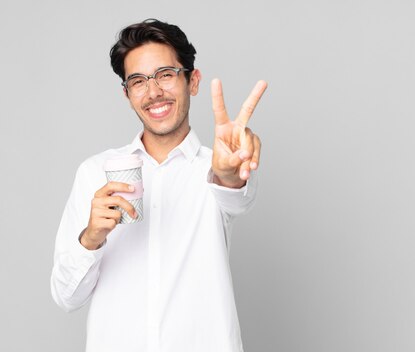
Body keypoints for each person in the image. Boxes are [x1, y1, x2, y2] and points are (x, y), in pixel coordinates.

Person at [50, 19, 267, 352]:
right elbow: (66, 297)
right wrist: (91, 238)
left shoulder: (214, 169)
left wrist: (229, 173)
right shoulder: (94, 173)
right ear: (127, 94)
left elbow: (234, 193)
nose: (153, 92)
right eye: (138, 81)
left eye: (165, 74)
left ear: (192, 81)